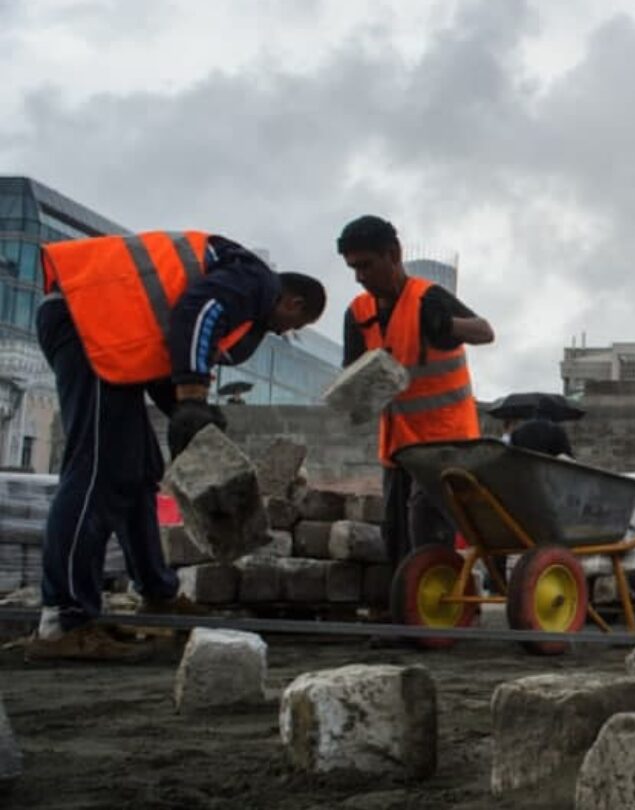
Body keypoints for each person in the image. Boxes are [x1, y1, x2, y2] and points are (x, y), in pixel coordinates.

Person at [28, 232, 326, 661]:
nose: (283, 332)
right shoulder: (258, 282)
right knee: (97, 470)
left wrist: (190, 413)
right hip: (87, 321)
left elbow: (161, 349)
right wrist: (190, 396)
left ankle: (157, 592)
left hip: (103, 327)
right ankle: (63, 620)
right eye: (292, 327)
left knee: (137, 469)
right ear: (293, 303)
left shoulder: (231, 279)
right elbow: (200, 313)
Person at [338, 215, 495, 565]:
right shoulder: (358, 313)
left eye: (366, 265)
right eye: (353, 268)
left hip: (445, 445)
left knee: (426, 530)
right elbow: (353, 383)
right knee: (396, 538)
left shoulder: (427, 299)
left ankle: (439, 610)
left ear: (393, 254)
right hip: (397, 448)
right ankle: (404, 610)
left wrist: (446, 324)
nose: (360, 277)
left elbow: (485, 332)